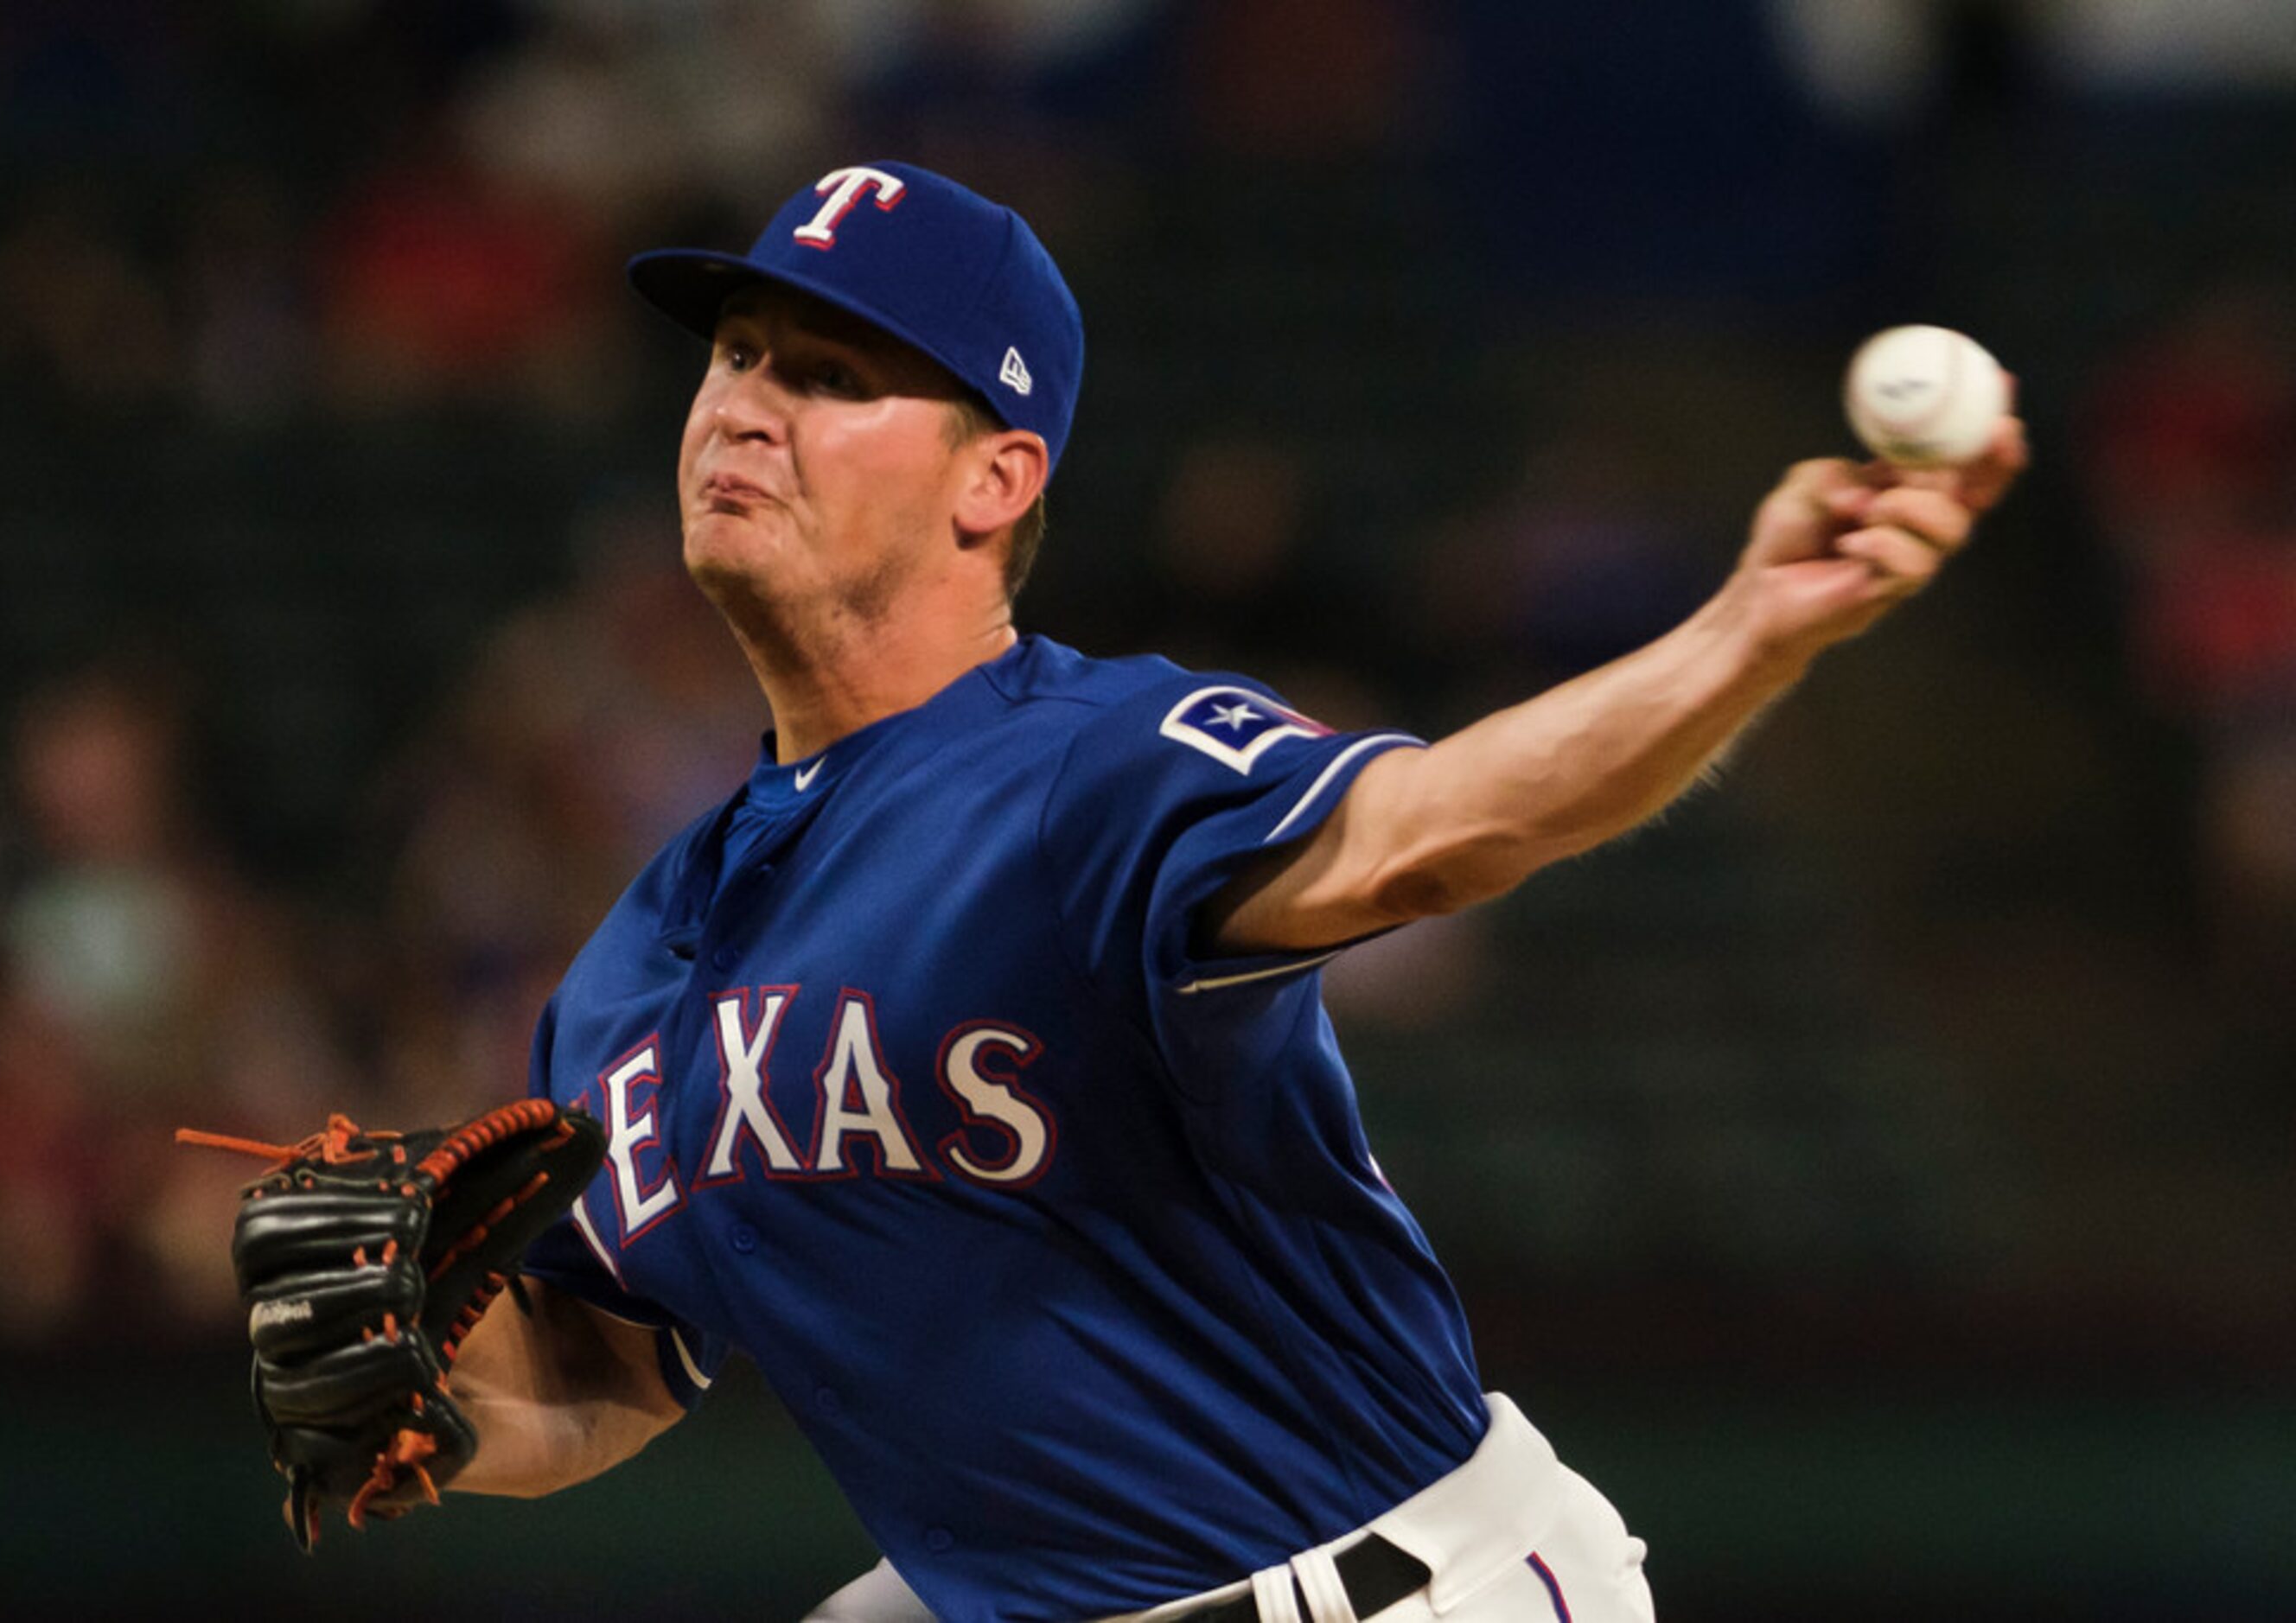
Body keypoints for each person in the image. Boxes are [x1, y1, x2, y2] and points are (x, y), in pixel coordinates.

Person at [443, 161, 2025, 1622]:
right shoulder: (635, 964)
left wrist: (1742, 631)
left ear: (994, 480)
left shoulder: (1094, 768)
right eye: (735, 352)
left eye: (832, 375)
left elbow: (1429, 829)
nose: (743, 405)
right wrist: (419, 1389)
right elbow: (608, 1358)